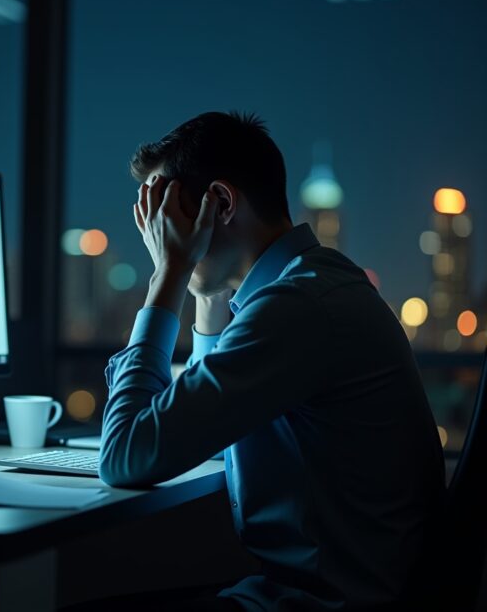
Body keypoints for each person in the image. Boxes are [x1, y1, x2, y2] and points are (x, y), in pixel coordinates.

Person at [98, 111, 445, 611]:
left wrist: (169, 273)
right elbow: (204, 420)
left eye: (164, 217)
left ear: (219, 203)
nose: (156, 235)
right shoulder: (306, 286)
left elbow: (125, 454)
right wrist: (206, 288)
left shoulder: (298, 307)